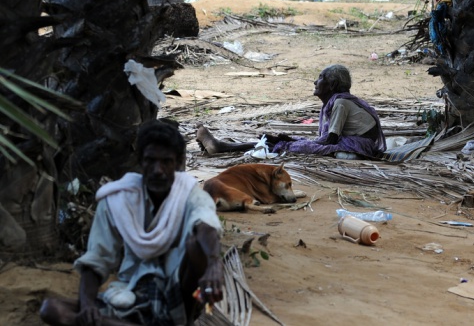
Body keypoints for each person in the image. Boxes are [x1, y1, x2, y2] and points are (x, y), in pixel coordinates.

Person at [40, 120, 224, 326]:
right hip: (130, 295)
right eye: (150, 161)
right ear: (140, 161)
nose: (158, 170)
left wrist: (214, 264)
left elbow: (206, 226)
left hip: (178, 295)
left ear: (179, 162)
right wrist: (87, 306)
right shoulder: (118, 198)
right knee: (51, 309)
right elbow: (96, 259)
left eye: (166, 162)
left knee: (195, 244)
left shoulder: (190, 195)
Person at [196, 64, 386, 159]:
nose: (315, 82)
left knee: (289, 146)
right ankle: (222, 147)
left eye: (320, 78)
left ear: (332, 85)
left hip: (358, 146)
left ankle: (222, 147)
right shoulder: (339, 102)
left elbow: (330, 140)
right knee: (287, 142)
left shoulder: (341, 103)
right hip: (353, 142)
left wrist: (290, 141)